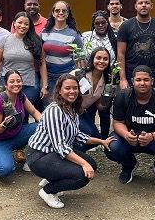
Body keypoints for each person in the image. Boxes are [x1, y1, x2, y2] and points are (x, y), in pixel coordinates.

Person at [27, 74, 114, 209]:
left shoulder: (71, 108)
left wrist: (101, 141)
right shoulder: (55, 111)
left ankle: (53, 178)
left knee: (92, 164)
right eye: (67, 88)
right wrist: (83, 164)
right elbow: (60, 146)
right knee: (82, 176)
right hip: (39, 156)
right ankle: (48, 191)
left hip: (53, 154)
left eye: (75, 88)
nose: (72, 91)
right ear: (59, 90)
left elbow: (77, 135)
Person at [105, 65, 155, 187]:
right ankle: (129, 165)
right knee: (111, 146)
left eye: (146, 80)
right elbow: (118, 122)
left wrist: (152, 136)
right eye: (138, 80)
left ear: (152, 81)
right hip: (130, 138)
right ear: (132, 81)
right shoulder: (122, 97)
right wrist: (126, 135)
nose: (142, 83)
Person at [0, 70, 42, 177]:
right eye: (12, 81)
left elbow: (33, 111)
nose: (16, 84)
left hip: (16, 136)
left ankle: (31, 160)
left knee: (41, 127)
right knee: (6, 170)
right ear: (5, 84)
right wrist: (4, 124)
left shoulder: (21, 96)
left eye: (18, 81)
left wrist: (47, 123)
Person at [117, 0, 155, 89]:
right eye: (140, 3)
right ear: (135, 6)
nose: (143, 5)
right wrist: (123, 78)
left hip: (153, 75)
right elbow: (120, 53)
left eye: (147, 3)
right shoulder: (126, 26)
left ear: (151, 6)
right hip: (131, 75)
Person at [0, 12, 48, 103]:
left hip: (29, 84)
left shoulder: (35, 40)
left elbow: (42, 63)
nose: (22, 26)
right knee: (7, 112)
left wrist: (45, 85)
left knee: (25, 113)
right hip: (7, 83)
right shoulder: (4, 40)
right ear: (14, 23)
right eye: (19, 22)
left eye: (26, 24)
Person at [40, 0, 83, 103]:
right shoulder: (44, 33)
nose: (61, 13)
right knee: (48, 107)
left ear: (68, 14)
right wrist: (45, 84)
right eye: (57, 10)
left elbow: (80, 61)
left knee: (65, 106)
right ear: (53, 13)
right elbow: (42, 60)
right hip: (48, 77)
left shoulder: (74, 35)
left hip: (66, 77)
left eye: (64, 11)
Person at [76, 47, 113, 142]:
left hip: (82, 112)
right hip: (69, 112)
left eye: (105, 59)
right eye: (98, 58)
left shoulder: (106, 80)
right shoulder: (80, 74)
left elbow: (100, 106)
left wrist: (110, 97)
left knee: (94, 135)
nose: (101, 61)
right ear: (92, 59)